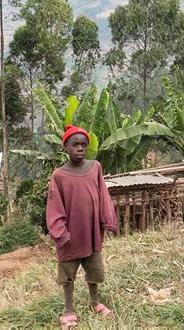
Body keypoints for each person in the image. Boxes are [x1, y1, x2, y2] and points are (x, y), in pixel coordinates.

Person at [46, 125, 117, 328]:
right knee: (68, 273)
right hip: (70, 234)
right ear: (65, 147)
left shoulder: (95, 167)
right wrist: (60, 232)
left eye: (83, 145)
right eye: (75, 145)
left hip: (92, 231)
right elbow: (54, 205)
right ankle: (69, 310)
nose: (80, 148)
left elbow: (103, 194)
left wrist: (107, 220)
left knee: (93, 268)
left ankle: (95, 301)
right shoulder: (59, 175)